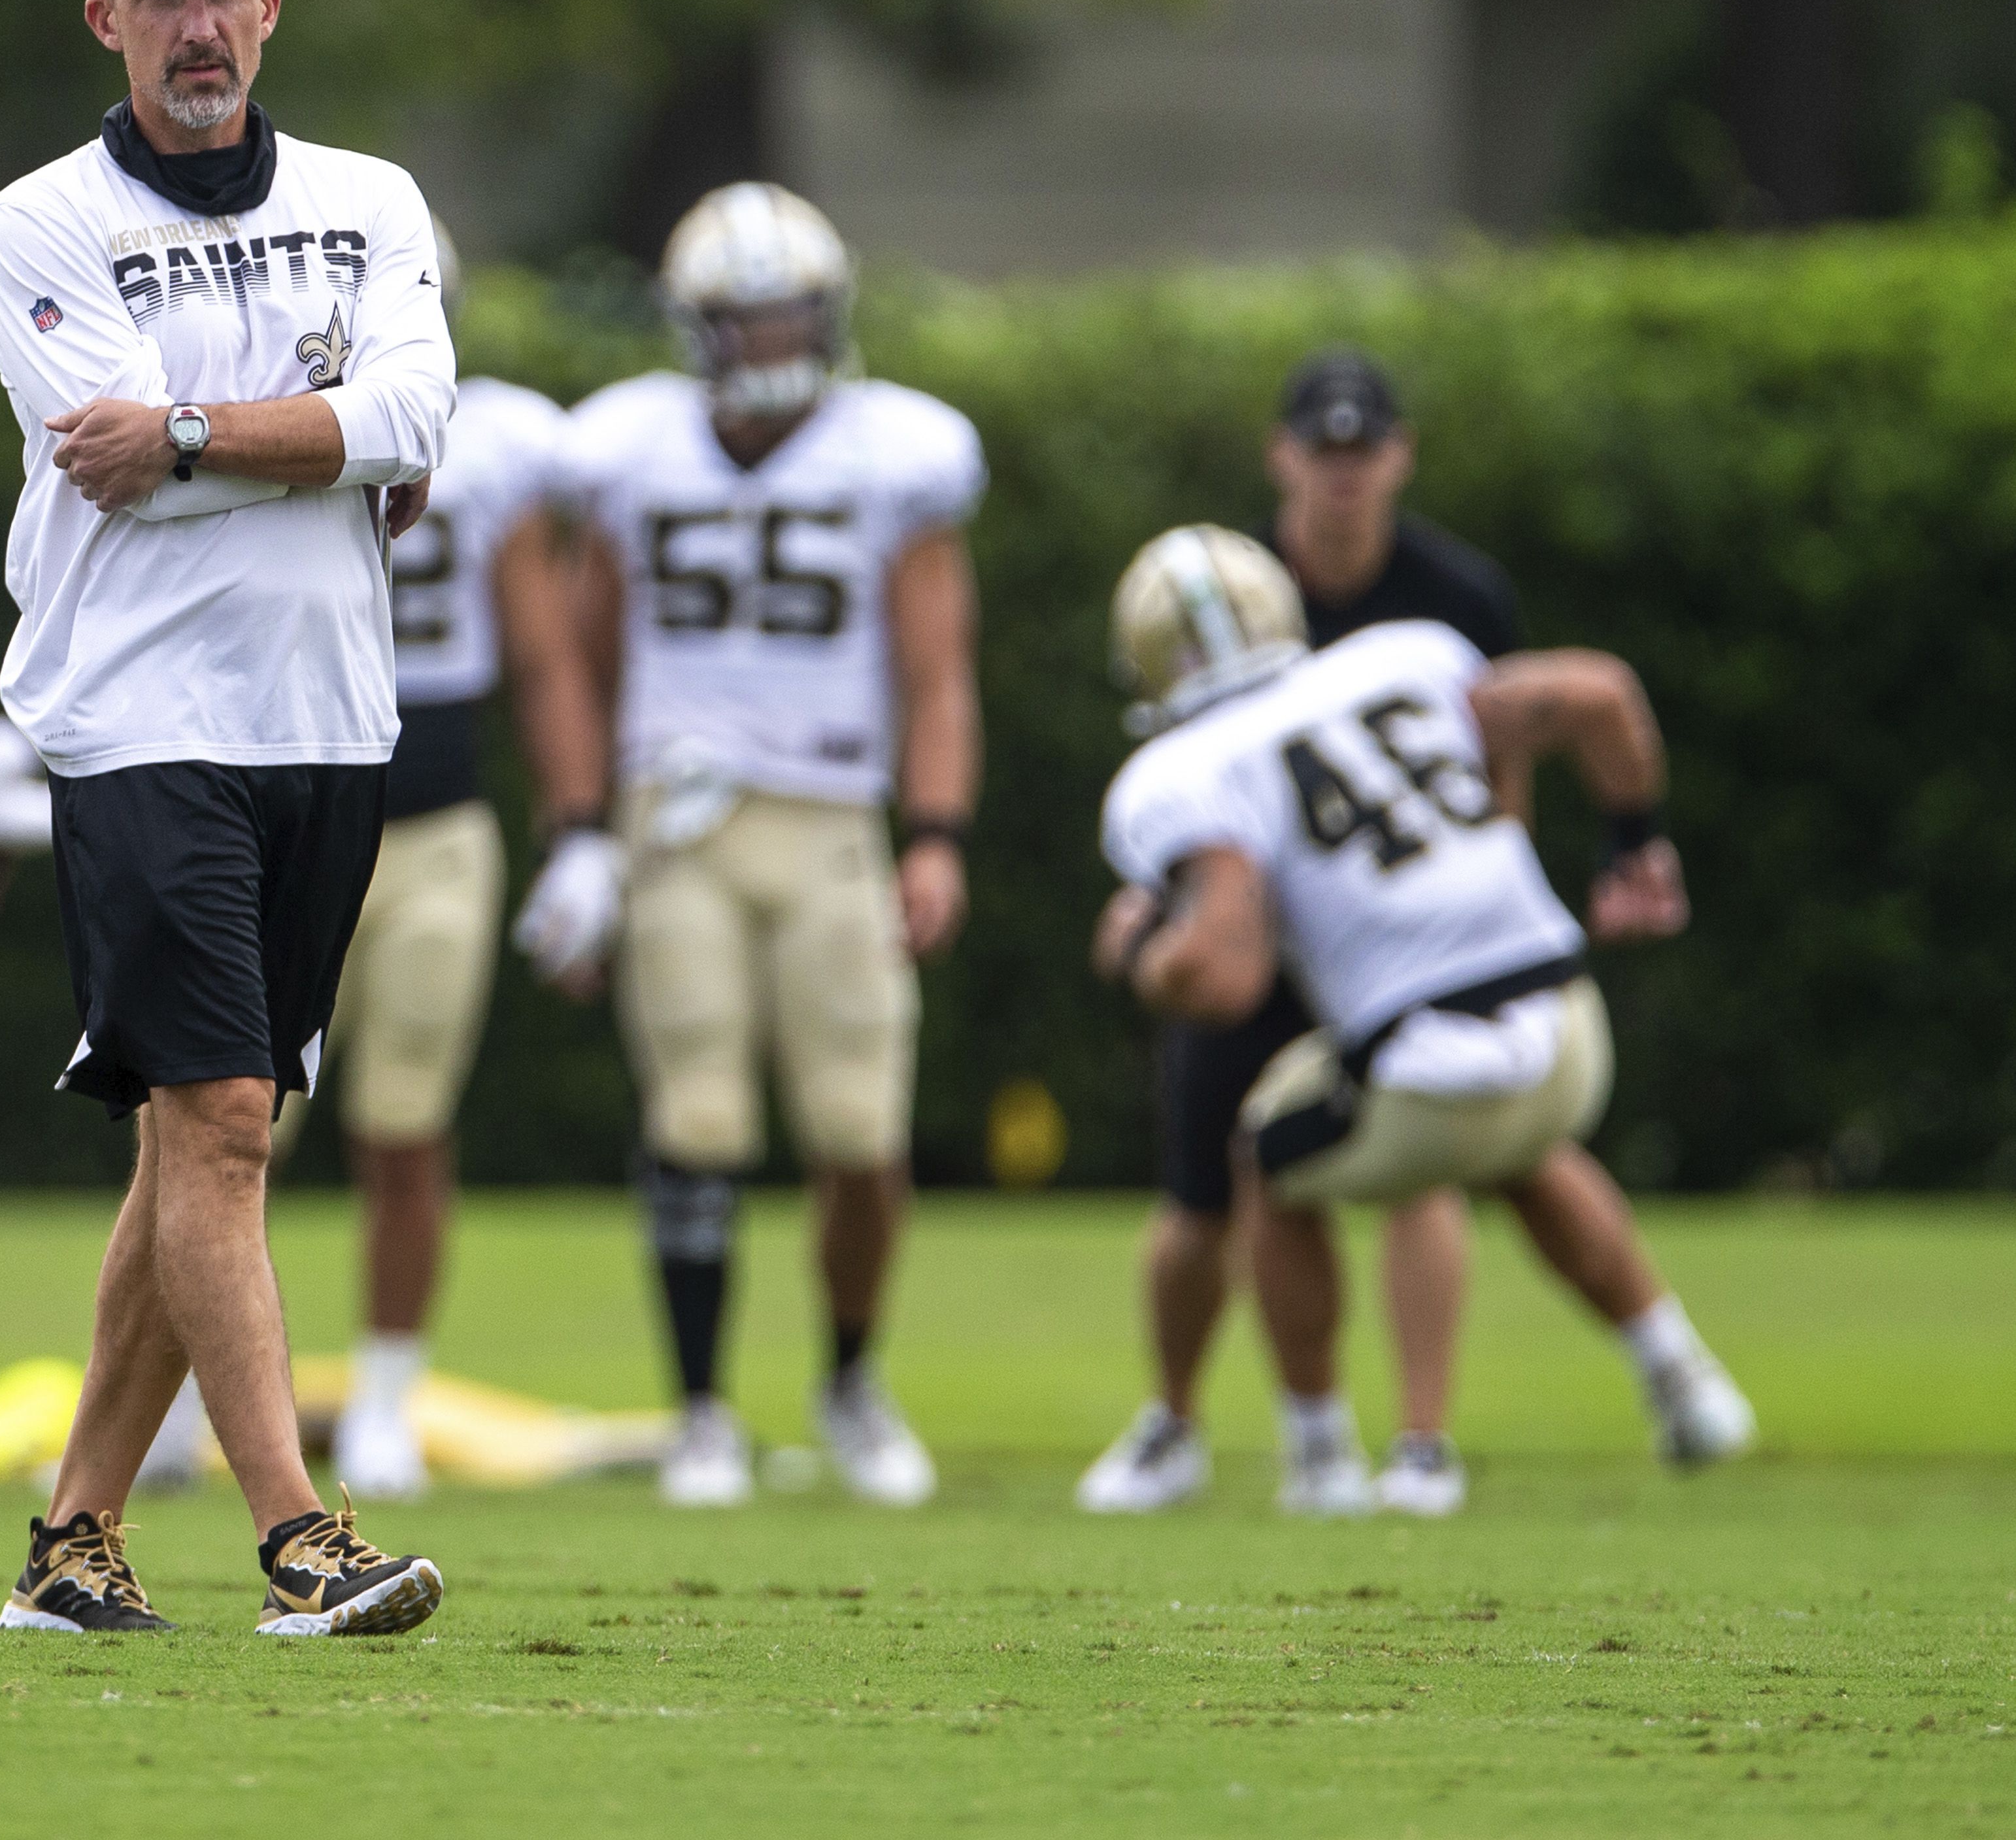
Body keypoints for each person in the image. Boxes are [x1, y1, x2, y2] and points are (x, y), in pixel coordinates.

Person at [0, 0, 452, 1636]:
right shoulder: (38, 218)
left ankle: (70, 1543)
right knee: (224, 1120)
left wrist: (189, 427)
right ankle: (294, 1535)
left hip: (329, 713)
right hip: (140, 717)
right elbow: (98, 454)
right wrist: (310, 437)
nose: (194, 24)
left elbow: (411, 410)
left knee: (202, 1140)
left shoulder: (369, 196)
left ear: (269, 6)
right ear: (105, 19)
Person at [1092, 526, 1755, 1514]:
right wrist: (1633, 847)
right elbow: (1600, 693)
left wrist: (1140, 948)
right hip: (1569, 1025)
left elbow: (1221, 975)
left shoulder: (1179, 771)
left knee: (1264, 1158)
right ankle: (1682, 1378)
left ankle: (1321, 1459)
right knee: (1521, 1152)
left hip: (1427, 1058)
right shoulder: (1412, 653)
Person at [537, 180, 984, 1509]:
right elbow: (580, 652)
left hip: (836, 812)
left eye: (794, 310)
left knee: (861, 1127)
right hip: (676, 818)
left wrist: (940, 830)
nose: (776, 337)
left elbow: (939, 671)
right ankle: (702, 1412)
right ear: (697, 327)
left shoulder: (894, 455)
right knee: (700, 1117)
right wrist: (577, 833)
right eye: (748, 316)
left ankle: (848, 1375)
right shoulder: (628, 451)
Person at [1078, 349, 1526, 1516]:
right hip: (1259, 933)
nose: (1342, 476)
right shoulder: (1239, 603)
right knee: (1201, 1195)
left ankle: (1405, 1444)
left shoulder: (1447, 606)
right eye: (1320, 452)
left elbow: (1500, 748)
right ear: (1284, 458)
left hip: (1384, 941)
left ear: (1398, 453)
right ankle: (1180, 1419)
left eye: (1360, 449)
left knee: (1404, 1174)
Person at [241, 229, 606, 1501]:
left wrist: (583, 828)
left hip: (437, 819)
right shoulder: (261, 410)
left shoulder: (494, 441)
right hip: (284, 810)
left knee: (406, 1123)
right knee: (232, 1133)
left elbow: (546, 654)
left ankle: (386, 1392)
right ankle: (194, 1391)